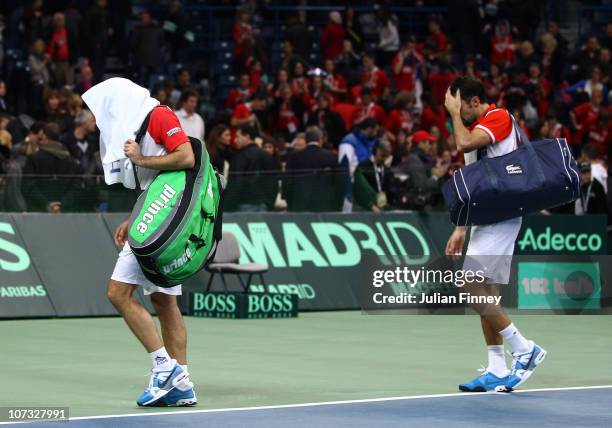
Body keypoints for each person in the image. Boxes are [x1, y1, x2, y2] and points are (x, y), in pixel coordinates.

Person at [83, 78, 198, 407]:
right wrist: (134, 217)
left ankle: (164, 368)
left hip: (166, 220)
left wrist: (141, 159)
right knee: (164, 303)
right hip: (157, 213)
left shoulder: (159, 115)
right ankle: (183, 383)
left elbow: (186, 158)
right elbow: (153, 185)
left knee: (117, 293)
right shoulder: (134, 124)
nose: (98, 118)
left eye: (102, 109)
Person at [444, 76, 546, 393]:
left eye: (460, 107)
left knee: (468, 283)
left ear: (475, 101)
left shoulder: (497, 117)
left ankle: (525, 349)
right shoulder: (474, 128)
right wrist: (461, 227)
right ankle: (497, 368)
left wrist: (452, 115)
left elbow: (462, 144)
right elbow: (472, 181)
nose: (457, 113)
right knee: (487, 291)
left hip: (502, 214)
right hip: (486, 215)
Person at [284, 127, 343, 212]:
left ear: (306, 141)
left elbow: (287, 182)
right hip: (325, 205)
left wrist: (290, 204)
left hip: (299, 205)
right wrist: (337, 206)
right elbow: (338, 183)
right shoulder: (330, 156)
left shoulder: (294, 156)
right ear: (320, 140)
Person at [226, 124, 277, 212]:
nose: (235, 140)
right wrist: (270, 204)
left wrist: (229, 206)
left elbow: (236, 183)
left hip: (242, 205)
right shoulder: (267, 156)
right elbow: (273, 183)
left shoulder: (240, 156)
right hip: (264, 205)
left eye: (238, 136)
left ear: (247, 136)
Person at [59, 109, 98, 174]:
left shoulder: (93, 142)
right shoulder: (64, 140)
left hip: (90, 181)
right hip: (71, 180)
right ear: (84, 122)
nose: (95, 123)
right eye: (92, 121)